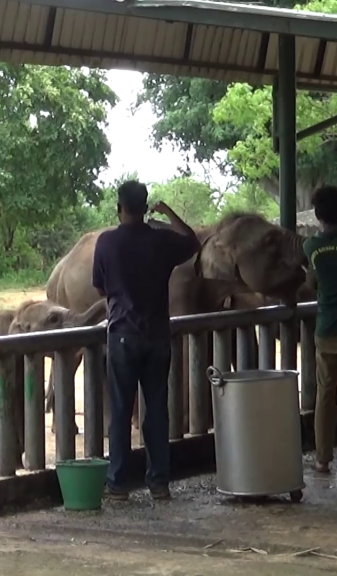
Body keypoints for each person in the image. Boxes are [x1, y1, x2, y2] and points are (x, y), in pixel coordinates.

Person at [92, 180, 200, 500]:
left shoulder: (106, 243)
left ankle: (118, 483)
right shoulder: (162, 241)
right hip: (157, 336)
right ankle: (159, 482)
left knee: (122, 411)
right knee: (156, 410)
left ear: (118, 207)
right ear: (145, 206)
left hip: (122, 335)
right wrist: (167, 213)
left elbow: (99, 287)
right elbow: (192, 241)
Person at [303, 184, 337, 475]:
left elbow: (310, 284)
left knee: (325, 395)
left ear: (317, 215)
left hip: (325, 330)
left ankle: (323, 458)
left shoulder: (310, 247)